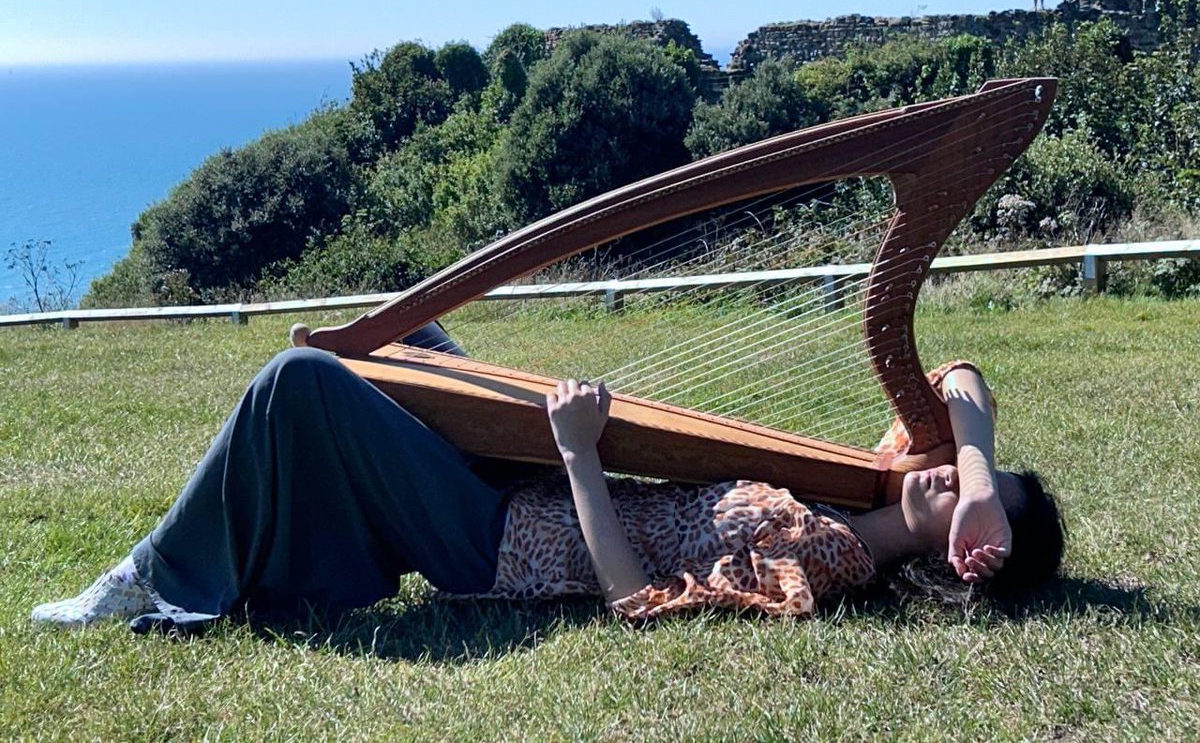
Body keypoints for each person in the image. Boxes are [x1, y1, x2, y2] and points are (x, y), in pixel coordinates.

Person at [31, 335, 1065, 629]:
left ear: (961, 564)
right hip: (523, 482)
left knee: (299, 379)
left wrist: (578, 453)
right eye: (970, 478)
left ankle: (152, 579)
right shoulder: (871, 479)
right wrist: (980, 477)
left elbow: (638, 602)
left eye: (978, 515)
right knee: (412, 340)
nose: (950, 480)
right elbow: (960, 374)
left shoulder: (828, 559)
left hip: (503, 544)